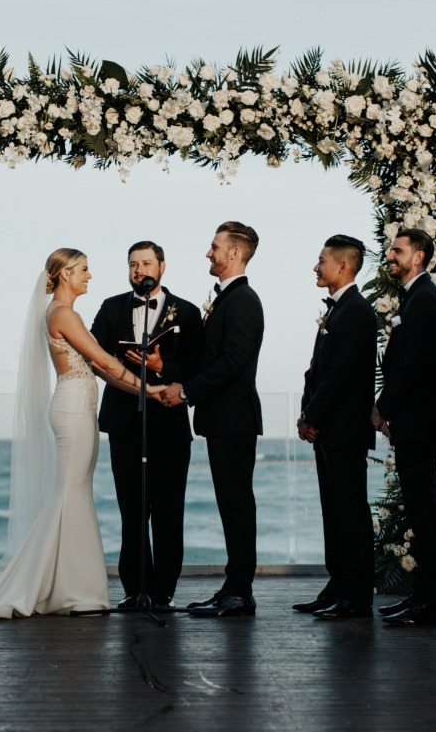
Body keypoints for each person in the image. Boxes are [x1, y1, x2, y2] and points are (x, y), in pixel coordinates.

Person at [0, 248, 165, 618]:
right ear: (65, 274)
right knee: (70, 494)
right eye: (84, 270)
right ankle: (72, 589)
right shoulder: (62, 314)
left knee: (74, 492)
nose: (89, 276)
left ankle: (66, 584)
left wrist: (143, 391)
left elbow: (101, 369)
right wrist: (149, 388)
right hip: (72, 409)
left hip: (79, 408)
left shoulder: (65, 314)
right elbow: (105, 360)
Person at [90, 241, 201, 609]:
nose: (140, 271)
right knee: (132, 509)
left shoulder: (186, 311)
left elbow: (197, 365)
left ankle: (163, 591)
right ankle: (134, 589)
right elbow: (96, 356)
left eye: (147, 263)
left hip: (169, 425)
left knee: (169, 510)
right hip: (124, 423)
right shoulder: (111, 307)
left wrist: (161, 368)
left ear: (163, 267)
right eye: (133, 264)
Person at [162, 222, 265, 618]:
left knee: (237, 506)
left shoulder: (242, 300)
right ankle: (234, 587)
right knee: (231, 505)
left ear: (235, 253)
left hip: (234, 419)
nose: (209, 253)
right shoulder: (227, 299)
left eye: (214, 247)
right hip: (224, 420)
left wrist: (186, 390)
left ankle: (239, 592)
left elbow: (234, 361)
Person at [372, 228, 436, 627]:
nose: (391, 255)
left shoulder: (424, 300)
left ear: (418, 257)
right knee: (421, 508)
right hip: (414, 419)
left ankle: (432, 600)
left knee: (424, 509)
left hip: (419, 420)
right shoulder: (416, 297)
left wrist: (382, 406)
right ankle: (424, 595)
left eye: (398, 250)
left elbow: (415, 365)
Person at [293, 235, 378, 620]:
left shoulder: (357, 311)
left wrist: (314, 416)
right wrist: (306, 414)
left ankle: (356, 594)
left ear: (343, 266)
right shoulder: (337, 311)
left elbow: (342, 375)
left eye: (322, 260)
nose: (316, 266)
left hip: (344, 430)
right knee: (334, 511)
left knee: (350, 513)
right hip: (328, 430)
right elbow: (316, 370)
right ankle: (338, 582)